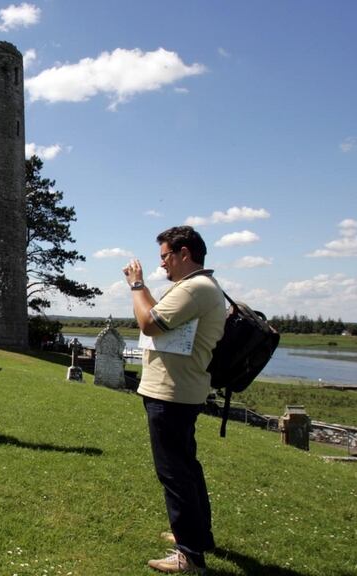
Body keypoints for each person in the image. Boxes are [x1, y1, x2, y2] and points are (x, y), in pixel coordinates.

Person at [123, 226, 226, 575]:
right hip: (181, 390)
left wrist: (137, 286)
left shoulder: (195, 288)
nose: (163, 264)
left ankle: (190, 556)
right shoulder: (195, 288)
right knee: (187, 468)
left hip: (171, 393)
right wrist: (146, 292)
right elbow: (158, 316)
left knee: (174, 474)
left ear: (185, 254)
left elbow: (149, 322)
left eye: (166, 256)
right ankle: (198, 537)